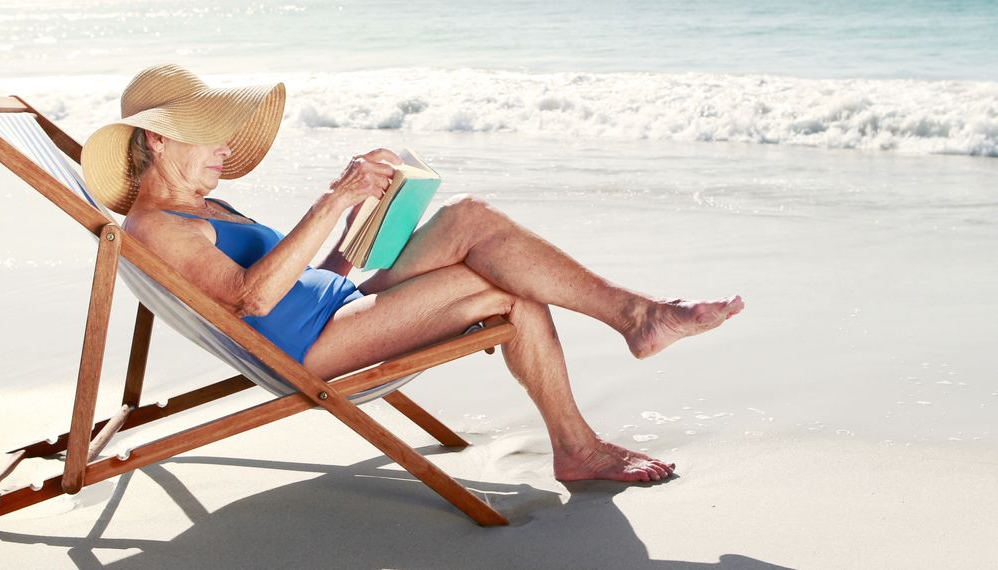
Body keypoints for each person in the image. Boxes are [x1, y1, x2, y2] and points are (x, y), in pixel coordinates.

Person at [82, 64, 744, 483]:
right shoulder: (159, 229)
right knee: (503, 289)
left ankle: (634, 327)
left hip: (336, 305)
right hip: (315, 348)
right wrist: (334, 196)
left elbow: (285, 284)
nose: (227, 145)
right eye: (209, 132)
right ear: (157, 140)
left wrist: (354, 229)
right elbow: (253, 302)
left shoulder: (203, 207)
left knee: (468, 217)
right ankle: (609, 380)